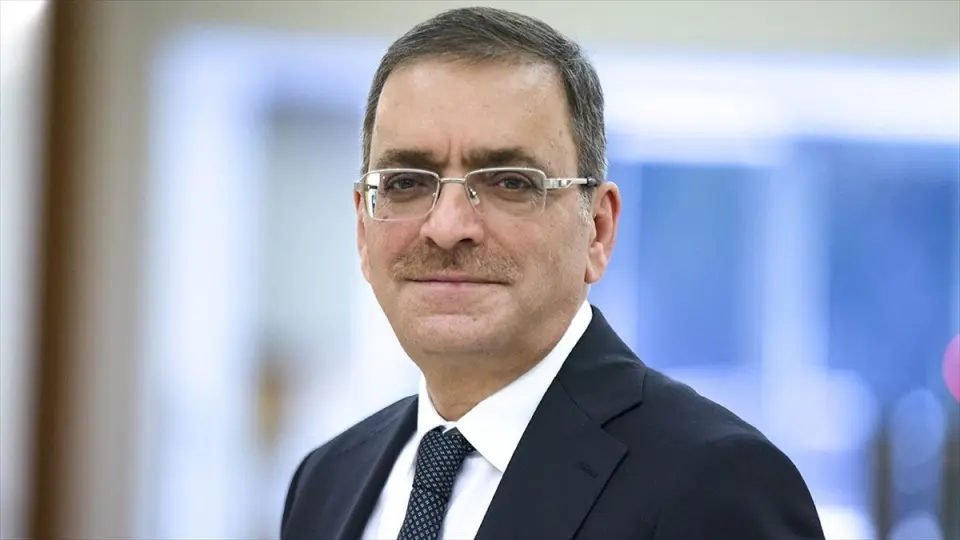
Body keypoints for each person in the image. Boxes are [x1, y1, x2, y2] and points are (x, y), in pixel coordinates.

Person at [280, 6, 825, 540]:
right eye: (405, 183)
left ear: (598, 230)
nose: (446, 227)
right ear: (363, 228)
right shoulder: (328, 480)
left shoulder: (716, 483)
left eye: (510, 183)